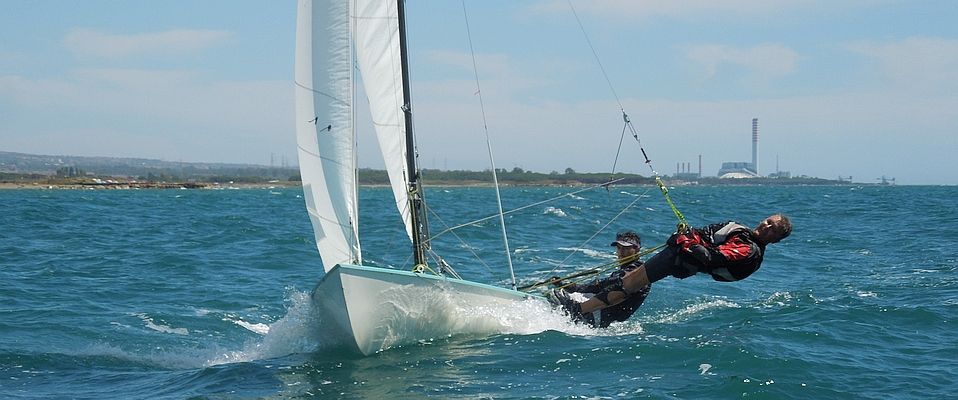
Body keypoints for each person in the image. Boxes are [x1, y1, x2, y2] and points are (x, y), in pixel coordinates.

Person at [558, 214, 792, 318]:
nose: (766, 226)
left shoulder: (749, 250)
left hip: (680, 261)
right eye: (768, 221)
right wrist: (688, 235)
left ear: (775, 240)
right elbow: (704, 233)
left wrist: (684, 241)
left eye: (772, 229)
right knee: (627, 281)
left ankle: (579, 310)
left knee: (628, 284)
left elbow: (711, 258)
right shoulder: (738, 229)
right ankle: (582, 304)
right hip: (678, 257)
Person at [548, 230, 651, 327]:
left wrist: (573, 287)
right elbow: (602, 287)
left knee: (556, 296)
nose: (621, 252)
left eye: (626, 248)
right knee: (557, 296)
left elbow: (607, 285)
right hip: (602, 314)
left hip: (602, 317)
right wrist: (568, 286)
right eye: (619, 248)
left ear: (637, 249)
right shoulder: (630, 269)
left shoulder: (636, 272)